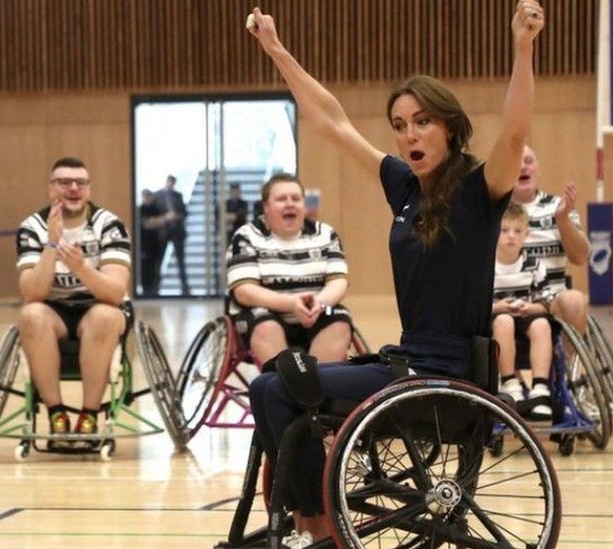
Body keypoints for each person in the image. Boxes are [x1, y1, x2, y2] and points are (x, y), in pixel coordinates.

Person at [245, 2, 543, 545]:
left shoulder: (480, 194)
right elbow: (332, 121)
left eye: (423, 122)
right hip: (404, 365)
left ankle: (320, 532)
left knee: (276, 390)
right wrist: (276, 51)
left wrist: (522, 48)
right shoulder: (406, 189)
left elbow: (516, 133)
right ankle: (316, 523)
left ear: (450, 128)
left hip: (447, 374)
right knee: (270, 384)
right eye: (401, 126)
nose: (410, 135)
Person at [16, 157, 130, 448]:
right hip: (53, 309)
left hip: (99, 306)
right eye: (65, 182)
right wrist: (51, 246)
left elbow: (115, 293)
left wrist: (81, 268)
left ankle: (89, 415)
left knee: (105, 316)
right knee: (31, 315)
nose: (73, 188)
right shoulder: (33, 227)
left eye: (81, 182)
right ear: (51, 188)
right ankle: (56, 414)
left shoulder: (109, 225)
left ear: (89, 189)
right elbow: (32, 292)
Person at [227, 174, 351, 366]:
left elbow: (339, 282)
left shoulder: (326, 234)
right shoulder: (246, 237)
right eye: (281, 199)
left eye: (295, 198)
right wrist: (291, 304)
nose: (289, 204)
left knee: (338, 318)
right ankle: (285, 389)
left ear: (303, 205)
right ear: (266, 206)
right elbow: (244, 292)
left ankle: (322, 386)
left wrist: (319, 302)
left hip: (316, 310)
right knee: (266, 326)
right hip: (265, 315)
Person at [512, 145, 590, 333]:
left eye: (529, 161)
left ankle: (572, 363)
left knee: (575, 300)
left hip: (552, 299)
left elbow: (581, 257)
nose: (523, 167)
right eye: (516, 162)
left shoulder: (558, 206)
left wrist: (562, 220)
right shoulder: (491, 210)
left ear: (538, 169)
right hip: (505, 299)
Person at [492, 203, 553, 420]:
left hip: (527, 316)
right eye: (505, 230)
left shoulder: (533, 264)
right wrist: (499, 307)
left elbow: (546, 303)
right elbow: (477, 305)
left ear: (526, 235)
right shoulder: (486, 265)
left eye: (517, 231)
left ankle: (540, 389)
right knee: (503, 322)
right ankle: (510, 383)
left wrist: (531, 307)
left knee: (542, 324)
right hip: (497, 320)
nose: (511, 236)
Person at [154, 175, 189, 295]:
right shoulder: (157, 196)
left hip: (177, 231)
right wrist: (165, 217)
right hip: (163, 231)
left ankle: (184, 286)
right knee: (160, 259)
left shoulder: (178, 196)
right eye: (169, 182)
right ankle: (155, 286)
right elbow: (154, 214)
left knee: (181, 260)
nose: (170, 185)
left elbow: (184, 213)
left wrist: (176, 216)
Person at [138, 188, 165, 296]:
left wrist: (153, 222)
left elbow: (162, 221)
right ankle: (146, 290)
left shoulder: (156, 208)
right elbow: (145, 223)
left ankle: (155, 289)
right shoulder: (140, 209)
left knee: (156, 267)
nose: (147, 198)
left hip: (156, 243)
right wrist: (154, 221)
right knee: (145, 267)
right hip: (144, 244)